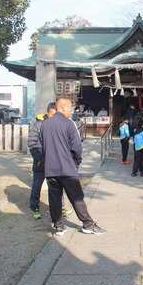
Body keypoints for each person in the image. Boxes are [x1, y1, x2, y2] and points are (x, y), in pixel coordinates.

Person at [41, 98, 106, 235]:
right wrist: (77, 161)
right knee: (76, 197)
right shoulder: (68, 124)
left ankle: (58, 225)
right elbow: (77, 146)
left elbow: (43, 147)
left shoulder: (45, 124)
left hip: (51, 168)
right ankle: (87, 223)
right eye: (70, 108)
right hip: (67, 167)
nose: (72, 111)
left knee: (54, 197)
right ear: (63, 107)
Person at [28, 102, 66, 220]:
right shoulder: (38, 126)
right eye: (52, 114)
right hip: (41, 162)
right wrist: (39, 158)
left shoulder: (57, 125)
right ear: (47, 112)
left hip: (54, 161)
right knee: (37, 185)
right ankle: (35, 207)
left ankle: (61, 207)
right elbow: (32, 143)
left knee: (57, 185)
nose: (54, 117)